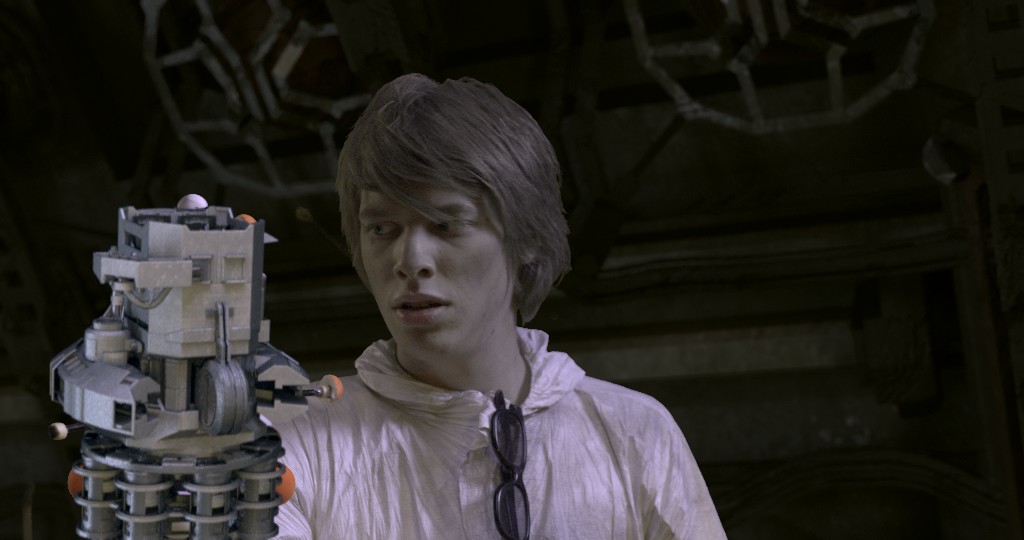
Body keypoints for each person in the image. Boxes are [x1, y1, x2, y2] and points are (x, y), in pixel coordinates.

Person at [273, 73, 727, 539]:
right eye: (381, 229)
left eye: (446, 224)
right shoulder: (293, 442)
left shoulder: (633, 433)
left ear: (524, 236)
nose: (410, 260)